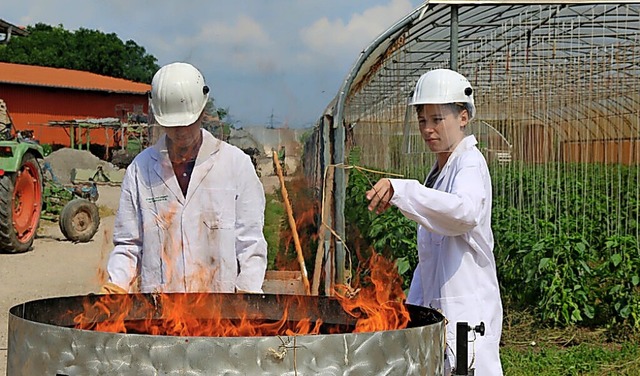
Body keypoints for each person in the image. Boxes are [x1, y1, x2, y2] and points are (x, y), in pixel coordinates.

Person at [365, 69, 503, 375]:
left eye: (437, 119)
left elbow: (464, 212)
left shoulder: (469, 163)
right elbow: (432, 260)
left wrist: (404, 189)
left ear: (463, 117)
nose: (428, 129)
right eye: (422, 120)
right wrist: (413, 309)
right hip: (445, 313)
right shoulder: (440, 173)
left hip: (466, 316)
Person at [102, 62, 268, 294]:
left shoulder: (235, 165)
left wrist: (246, 295)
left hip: (219, 311)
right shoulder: (140, 170)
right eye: (172, 125)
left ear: (202, 110)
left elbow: (250, 242)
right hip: (161, 314)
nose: (180, 132)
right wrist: (117, 285)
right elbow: (129, 244)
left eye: (187, 123)